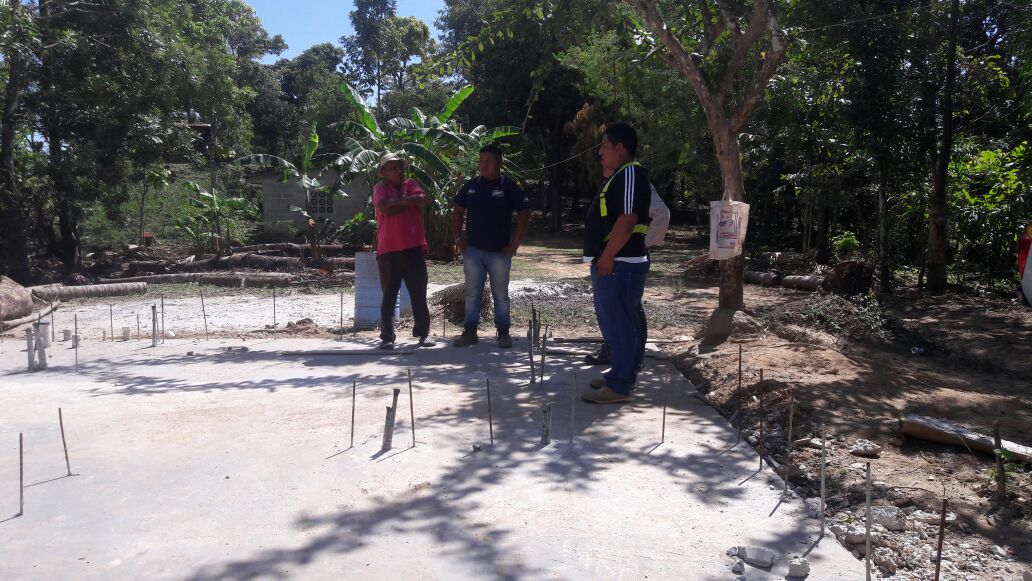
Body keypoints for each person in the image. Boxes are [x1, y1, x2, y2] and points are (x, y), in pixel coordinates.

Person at [582, 123, 651, 404]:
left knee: (619, 325)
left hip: (620, 263)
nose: (600, 152)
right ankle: (620, 375)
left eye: (605, 146)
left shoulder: (631, 173)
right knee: (621, 323)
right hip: (617, 262)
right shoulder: (619, 175)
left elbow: (627, 219)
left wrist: (608, 256)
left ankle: (620, 386)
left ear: (620, 148)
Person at [450, 144, 530, 348]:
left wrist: (515, 243)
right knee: (472, 293)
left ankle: (503, 333)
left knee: (500, 294)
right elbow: (457, 211)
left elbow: (524, 213)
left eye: (488, 161)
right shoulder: (471, 186)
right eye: (481, 161)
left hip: (500, 253)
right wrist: (457, 238)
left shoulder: (508, 186)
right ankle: (470, 332)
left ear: (499, 162)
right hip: (473, 252)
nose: (483, 165)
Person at [585, 180, 670, 367]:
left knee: (629, 309)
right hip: (612, 256)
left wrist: (645, 243)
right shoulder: (614, 182)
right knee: (613, 309)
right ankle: (614, 353)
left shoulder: (634, 181)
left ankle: (632, 361)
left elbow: (662, 214)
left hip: (628, 258)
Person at [373, 152, 433, 349]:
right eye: (393, 168)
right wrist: (407, 201)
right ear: (383, 172)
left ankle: (423, 333)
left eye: (400, 167)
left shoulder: (411, 183)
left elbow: (422, 199)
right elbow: (384, 208)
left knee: (419, 293)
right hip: (389, 249)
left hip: (414, 246)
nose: (398, 171)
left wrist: (396, 202)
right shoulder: (380, 188)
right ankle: (387, 337)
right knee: (389, 295)